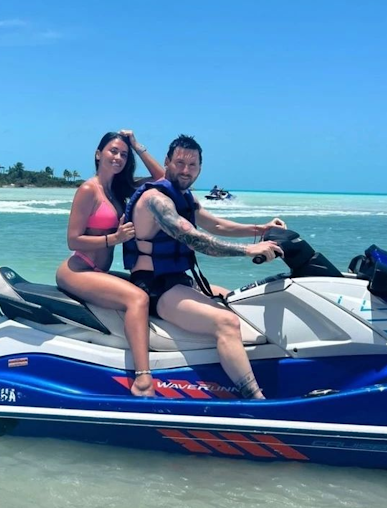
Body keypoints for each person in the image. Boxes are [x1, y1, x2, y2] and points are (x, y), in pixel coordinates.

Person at [122, 134, 286, 400]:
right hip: (155, 286)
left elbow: (216, 225)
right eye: (180, 163)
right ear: (167, 162)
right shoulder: (157, 200)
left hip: (178, 281)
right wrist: (248, 250)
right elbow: (194, 238)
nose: (186, 170)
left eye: (192, 165)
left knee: (240, 300)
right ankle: (255, 401)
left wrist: (261, 229)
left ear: (200, 168)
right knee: (226, 322)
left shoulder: (184, 197)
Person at [56, 130, 164, 397]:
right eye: (113, 151)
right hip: (77, 269)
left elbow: (162, 178)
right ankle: (142, 379)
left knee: (149, 287)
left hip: (97, 271)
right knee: (137, 299)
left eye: (123, 155)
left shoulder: (117, 190)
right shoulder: (88, 190)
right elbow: (72, 240)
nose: (118, 157)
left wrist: (136, 145)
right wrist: (114, 238)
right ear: (98, 154)